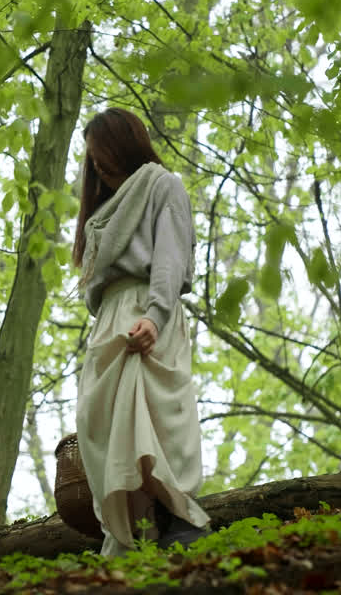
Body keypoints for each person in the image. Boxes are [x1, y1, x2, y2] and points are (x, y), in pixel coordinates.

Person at [72, 107, 210, 559]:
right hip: (108, 326)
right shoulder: (100, 217)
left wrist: (154, 316)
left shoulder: (161, 186)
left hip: (147, 316)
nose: (99, 166)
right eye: (91, 161)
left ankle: (177, 520)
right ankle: (137, 533)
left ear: (124, 144)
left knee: (154, 425)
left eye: (103, 154)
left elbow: (169, 258)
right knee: (108, 432)